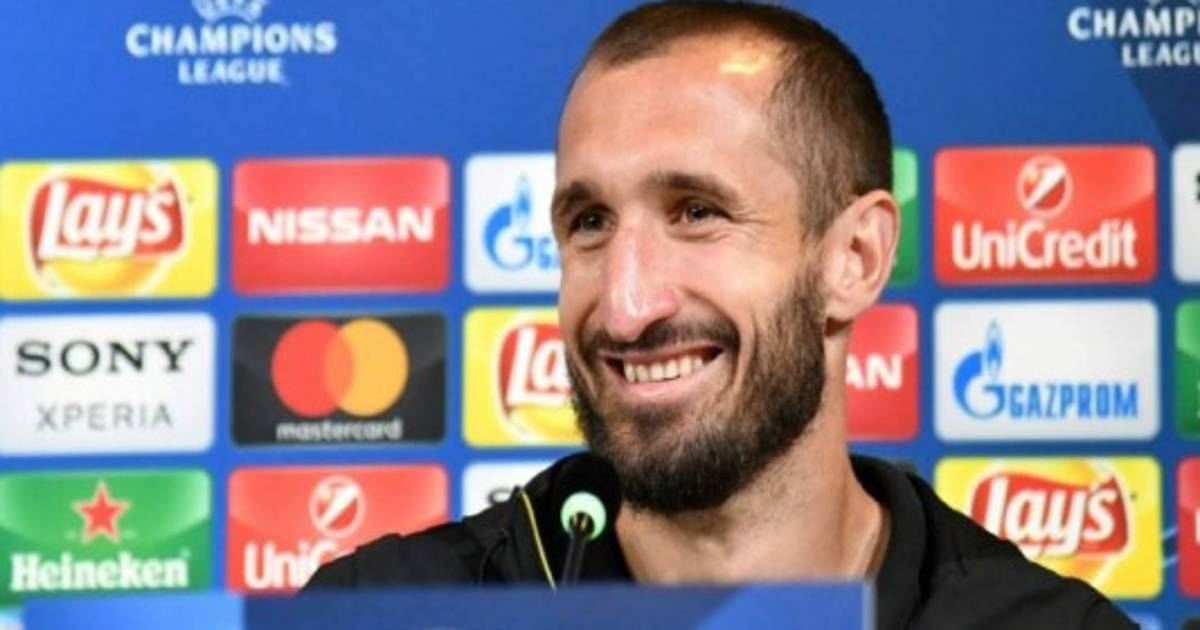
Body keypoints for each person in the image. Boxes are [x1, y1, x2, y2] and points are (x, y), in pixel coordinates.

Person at [304, 2, 1134, 627]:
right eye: (589, 222)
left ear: (855, 258)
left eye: (697, 212)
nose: (627, 307)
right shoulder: (379, 612)